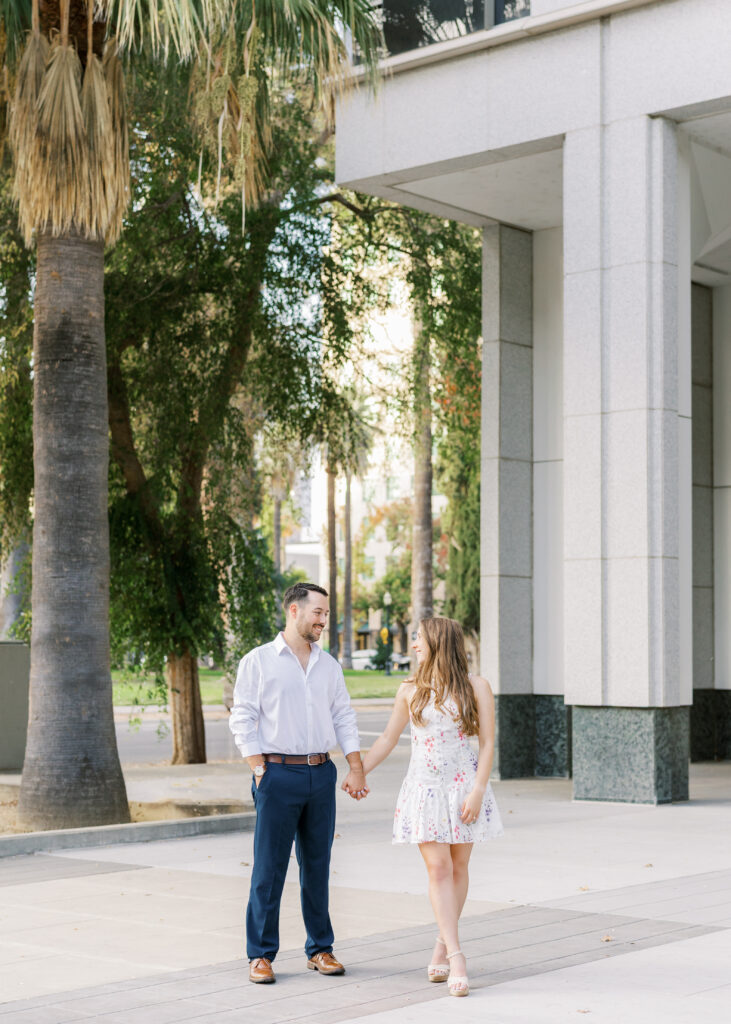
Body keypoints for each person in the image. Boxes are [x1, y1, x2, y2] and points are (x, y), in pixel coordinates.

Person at [352, 616, 503, 998]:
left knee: (459, 867)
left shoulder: (476, 686)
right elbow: (388, 737)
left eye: (418, 638)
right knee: (438, 868)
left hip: (463, 789)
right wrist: (359, 771)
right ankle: (456, 956)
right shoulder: (410, 690)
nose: (414, 645)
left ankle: (440, 942)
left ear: (437, 642)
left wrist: (478, 790)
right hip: (424, 790)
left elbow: (486, 743)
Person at [229, 582, 368, 985]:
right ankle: (260, 955)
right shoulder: (257, 661)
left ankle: (320, 948)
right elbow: (242, 718)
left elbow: (344, 716)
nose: (324, 620)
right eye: (318, 613)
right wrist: (259, 768)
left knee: (318, 866)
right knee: (269, 869)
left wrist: (354, 767)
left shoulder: (328, 665)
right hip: (277, 774)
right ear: (294, 611)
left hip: (321, 774)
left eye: (325, 614)